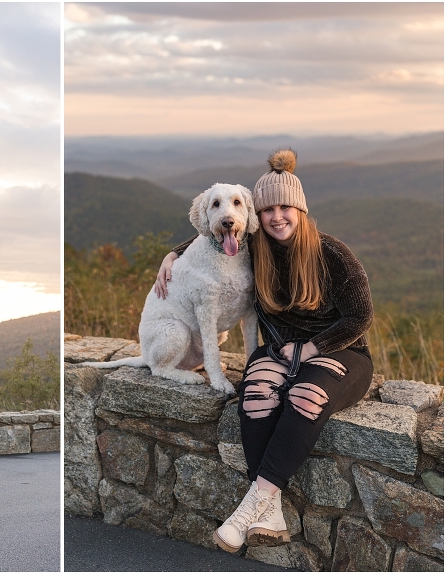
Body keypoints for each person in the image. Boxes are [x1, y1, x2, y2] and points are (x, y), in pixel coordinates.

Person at [155, 148, 373, 553]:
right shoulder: (255, 246)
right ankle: (271, 515)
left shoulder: (333, 253)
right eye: (267, 209)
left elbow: (360, 317)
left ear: (300, 209)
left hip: (343, 354)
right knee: (254, 393)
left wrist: (311, 348)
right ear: (258, 215)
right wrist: (172, 254)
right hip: (279, 351)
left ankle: (250, 507)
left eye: (285, 207)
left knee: (306, 394)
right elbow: (215, 229)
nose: (276, 217)